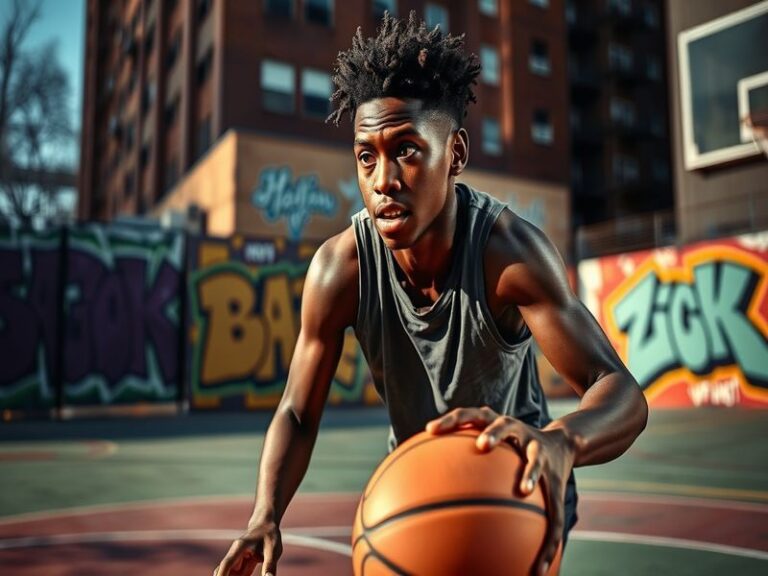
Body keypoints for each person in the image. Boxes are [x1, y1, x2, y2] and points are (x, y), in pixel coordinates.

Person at [214, 12, 648, 576]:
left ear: (456, 155)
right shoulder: (341, 269)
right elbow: (298, 411)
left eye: (408, 151)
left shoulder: (508, 255)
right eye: (367, 156)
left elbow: (618, 391)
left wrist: (563, 441)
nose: (383, 180)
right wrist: (265, 512)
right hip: (416, 477)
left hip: (518, 480)